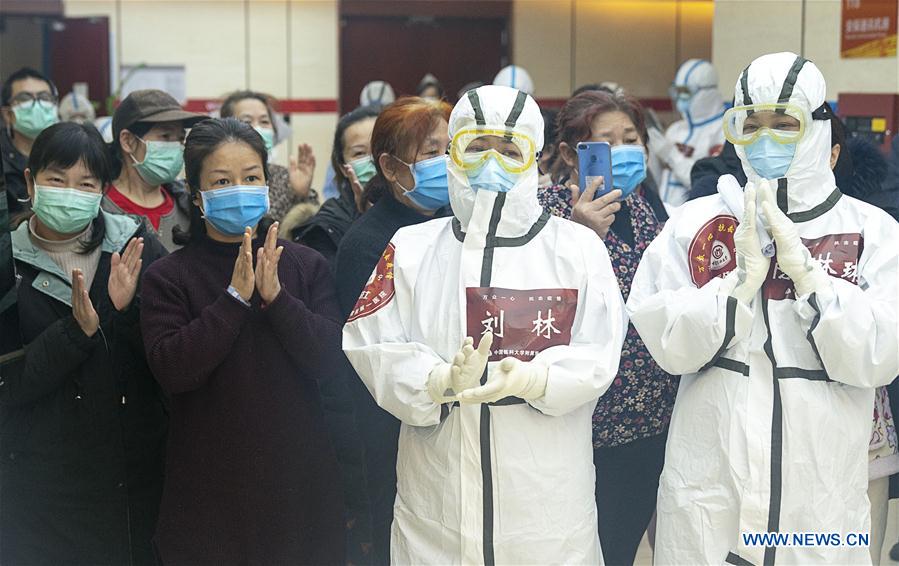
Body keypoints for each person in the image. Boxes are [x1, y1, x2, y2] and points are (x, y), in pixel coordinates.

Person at [628, 52, 899, 565]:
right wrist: (735, 288)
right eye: (750, 123)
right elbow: (664, 339)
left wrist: (810, 277)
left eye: (785, 123)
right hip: (712, 487)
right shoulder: (696, 225)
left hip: (816, 495)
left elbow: (879, 352)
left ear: (822, 134)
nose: (766, 138)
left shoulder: (875, 233)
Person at [343, 85, 626, 564]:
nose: (492, 161)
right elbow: (370, 344)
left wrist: (539, 378)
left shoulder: (577, 249)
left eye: (510, 149)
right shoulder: (410, 249)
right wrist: (435, 380)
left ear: (535, 159)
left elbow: (600, 349)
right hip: (438, 500)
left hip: (546, 506)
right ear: (453, 152)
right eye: (476, 146)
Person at [139, 118, 344, 564]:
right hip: (209, 498)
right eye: (221, 180)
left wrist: (277, 299)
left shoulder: (306, 266)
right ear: (196, 195)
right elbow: (173, 370)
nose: (239, 188)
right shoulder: (168, 277)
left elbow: (331, 361)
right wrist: (233, 300)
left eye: (251, 177)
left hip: (299, 491)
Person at [0, 122, 168, 565]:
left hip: (128, 480)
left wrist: (125, 311)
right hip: (38, 487)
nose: (70, 192)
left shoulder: (135, 247)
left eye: (85, 183)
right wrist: (76, 331)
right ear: (32, 182)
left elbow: (165, 358)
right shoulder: (7, 262)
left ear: (102, 191)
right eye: (57, 180)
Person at [537, 89, 675, 566]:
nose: (624, 151)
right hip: (584, 421)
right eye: (606, 142)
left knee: (621, 544)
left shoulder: (643, 209)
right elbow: (539, 311)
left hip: (649, 417)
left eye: (631, 138)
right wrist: (578, 236)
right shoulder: (547, 213)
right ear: (571, 155)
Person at [334, 96, 452, 565]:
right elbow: (370, 359)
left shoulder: (456, 224)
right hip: (391, 433)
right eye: (429, 152)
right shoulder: (367, 242)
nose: (444, 164)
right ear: (389, 165)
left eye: (450, 149)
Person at [101, 89, 205, 251]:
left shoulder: (189, 206)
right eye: (165, 136)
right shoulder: (99, 208)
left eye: (180, 138)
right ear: (127, 141)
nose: (176, 147)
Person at [292, 105, 380, 264]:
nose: (373, 159)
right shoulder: (326, 226)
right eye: (359, 153)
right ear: (342, 167)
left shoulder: (418, 206)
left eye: (380, 148)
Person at [219, 90, 319, 223]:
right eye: (247, 121)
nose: (258, 128)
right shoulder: (218, 176)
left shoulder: (285, 177)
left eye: (264, 121)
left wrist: (302, 195)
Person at [648, 59, 726, 212]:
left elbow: (706, 181)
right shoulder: (675, 129)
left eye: (686, 92)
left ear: (706, 93)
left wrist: (671, 155)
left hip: (697, 215)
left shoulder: (723, 130)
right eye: (677, 92)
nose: (680, 98)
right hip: (664, 212)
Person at [1, 67, 59, 219]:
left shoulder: (70, 152)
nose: (37, 105)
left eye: (44, 97)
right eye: (25, 98)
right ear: (7, 114)